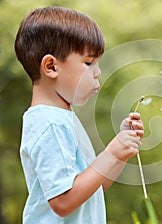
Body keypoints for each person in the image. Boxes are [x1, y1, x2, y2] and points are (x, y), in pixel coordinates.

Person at [15, 6, 144, 223]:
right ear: (51, 67)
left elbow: (94, 187)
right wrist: (112, 153)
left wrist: (120, 154)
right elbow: (63, 202)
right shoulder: (50, 123)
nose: (98, 72)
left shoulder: (63, 119)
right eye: (89, 62)